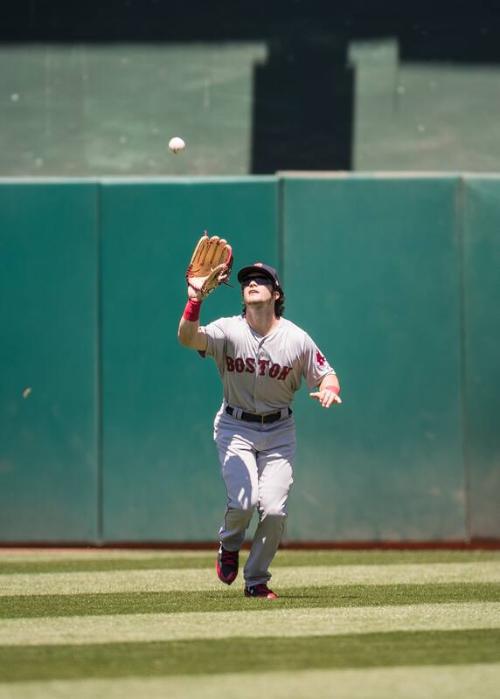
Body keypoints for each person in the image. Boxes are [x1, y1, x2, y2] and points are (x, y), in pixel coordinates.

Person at [178, 260, 341, 599]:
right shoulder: (228, 330)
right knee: (244, 501)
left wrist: (330, 388)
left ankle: (256, 580)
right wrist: (195, 299)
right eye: (246, 280)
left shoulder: (296, 339)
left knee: (274, 508)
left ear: (276, 293)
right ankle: (229, 544)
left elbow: (327, 373)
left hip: (279, 431)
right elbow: (187, 338)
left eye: (260, 279)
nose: (251, 283)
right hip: (235, 426)